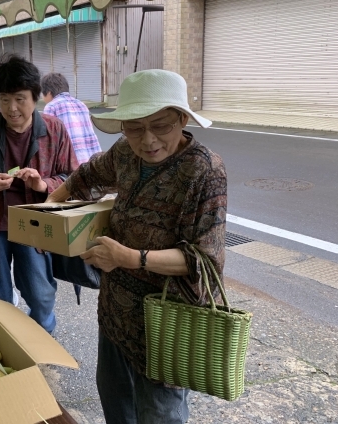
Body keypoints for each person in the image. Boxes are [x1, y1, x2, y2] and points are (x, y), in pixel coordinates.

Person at [46, 69, 227, 424]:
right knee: (117, 405)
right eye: (134, 127)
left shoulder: (203, 171)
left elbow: (205, 259)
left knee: (159, 413)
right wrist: (48, 212)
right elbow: (86, 176)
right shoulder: (125, 153)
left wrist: (128, 257)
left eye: (160, 125)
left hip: (169, 321)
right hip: (116, 313)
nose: (147, 140)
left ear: (182, 118)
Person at [0, 54, 78, 334]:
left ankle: (41, 344)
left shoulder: (54, 129)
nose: (12, 109)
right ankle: (3, 345)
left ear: (36, 98)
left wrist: (42, 185)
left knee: (40, 293)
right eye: (4, 99)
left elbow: (72, 177)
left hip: (34, 226)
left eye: (20, 99)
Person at [40, 72, 101, 165]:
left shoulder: (51, 106)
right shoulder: (81, 104)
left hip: (72, 164)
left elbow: (47, 139)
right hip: (93, 161)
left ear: (48, 92)